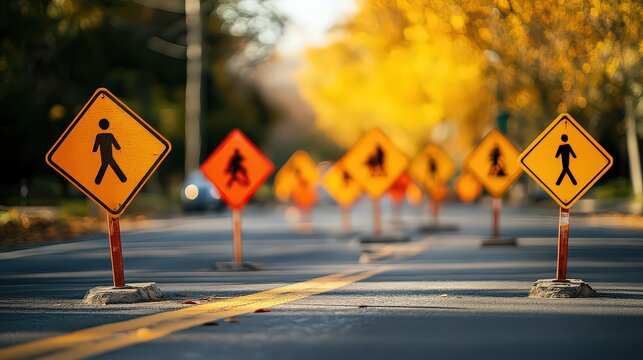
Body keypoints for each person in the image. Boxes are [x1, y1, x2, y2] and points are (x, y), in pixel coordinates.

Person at [93, 118, 127, 185]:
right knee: (109, 165)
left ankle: (97, 181)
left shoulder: (99, 136)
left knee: (105, 165)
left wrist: (94, 150)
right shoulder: (110, 135)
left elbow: (95, 148)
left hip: (103, 156)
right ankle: (123, 179)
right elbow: (117, 146)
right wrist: (118, 148)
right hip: (109, 155)